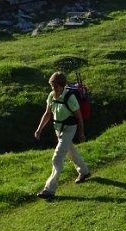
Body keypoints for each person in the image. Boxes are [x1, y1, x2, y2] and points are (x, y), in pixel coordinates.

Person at [34, 71, 90, 200]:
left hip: (70, 128)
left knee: (57, 157)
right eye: (52, 86)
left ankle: (49, 189)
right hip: (58, 129)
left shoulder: (70, 97)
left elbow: (79, 117)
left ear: (62, 85)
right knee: (70, 152)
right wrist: (39, 129)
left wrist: (81, 133)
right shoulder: (51, 96)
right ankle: (84, 171)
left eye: (56, 86)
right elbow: (47, 114)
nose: (53, 89)